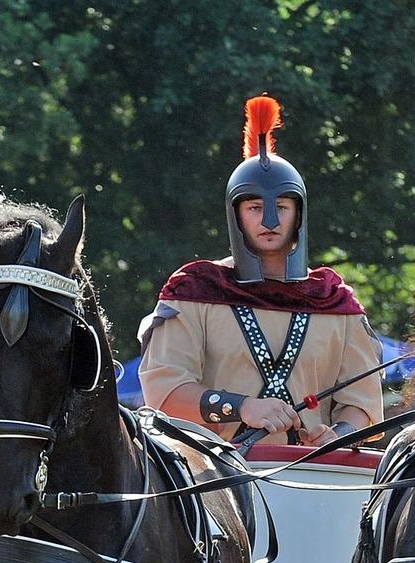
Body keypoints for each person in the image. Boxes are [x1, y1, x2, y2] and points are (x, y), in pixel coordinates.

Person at [140, 95, 383, 446]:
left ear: (298, 213)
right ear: (235, 214)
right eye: (254, 207)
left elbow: (362, 405)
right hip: (209, 481)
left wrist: (336, 436)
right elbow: (164, 392)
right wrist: (243, 408)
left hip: (315, 478)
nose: (269, 220)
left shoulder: (334, 303)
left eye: (281, 207)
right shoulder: (195, 293)